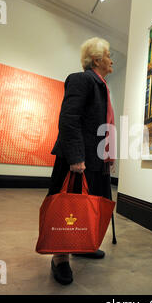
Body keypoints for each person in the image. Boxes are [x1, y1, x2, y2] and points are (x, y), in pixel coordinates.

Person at [47, 37, 116, 285]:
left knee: (90, 204)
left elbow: (106, 125)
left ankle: (81, 245)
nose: (112, 59)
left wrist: (109, 154)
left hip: (96, 158)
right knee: (69, 207)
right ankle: (60, 257)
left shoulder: (102, 86)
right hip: (79, 159)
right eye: (108, 55)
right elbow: (68, 119)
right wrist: (76, 157)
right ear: (97, 60)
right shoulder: (81, 79)